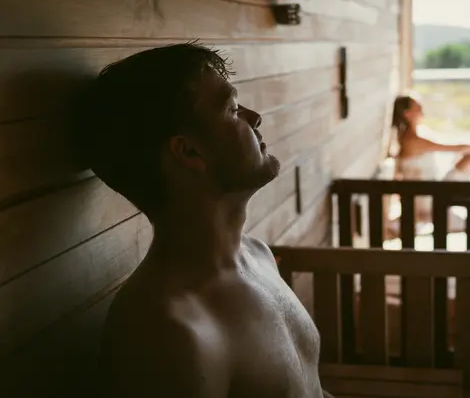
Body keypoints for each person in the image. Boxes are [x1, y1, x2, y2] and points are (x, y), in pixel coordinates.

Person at [76, 43, 334, 398]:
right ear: (189, 152)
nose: (255, 117)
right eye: (232, 109)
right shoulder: (167, 330)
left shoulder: (257, 255)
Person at [390, 94, 470, 232]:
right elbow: (456, 148)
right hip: (429, 197)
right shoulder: (412, 140)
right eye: (417, 107)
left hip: (433, 190)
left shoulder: (413, 137)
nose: (422, 110)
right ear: (407, 114)